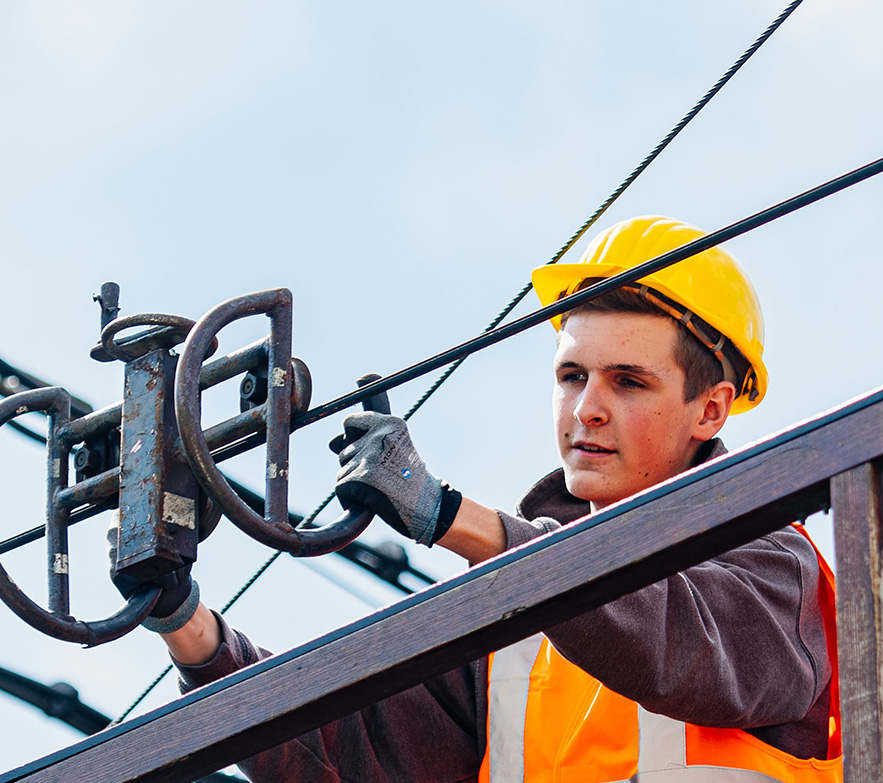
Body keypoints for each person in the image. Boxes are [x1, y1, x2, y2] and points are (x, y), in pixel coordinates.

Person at [125, 216, 843, 782]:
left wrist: (449, 516)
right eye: (571, 376)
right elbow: (354, 754)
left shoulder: (774, 569)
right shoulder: (511, 624)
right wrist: (185, 623)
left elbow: (669, 639)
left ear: (711, 411)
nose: (587, 407)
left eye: (629, 381)